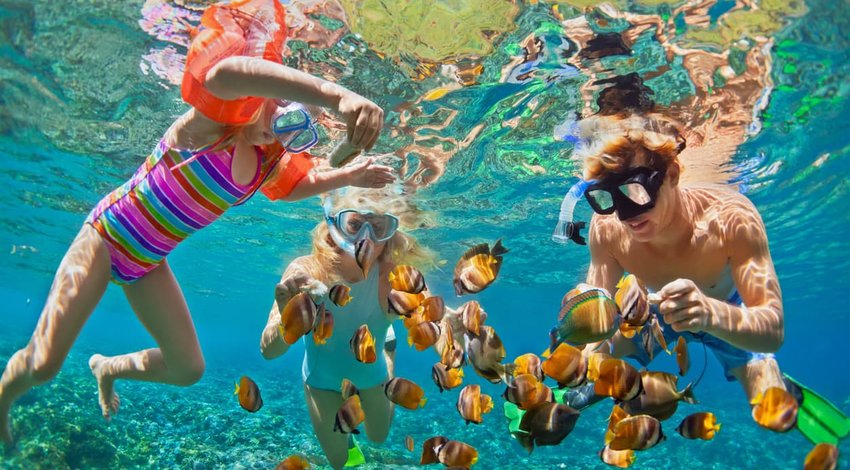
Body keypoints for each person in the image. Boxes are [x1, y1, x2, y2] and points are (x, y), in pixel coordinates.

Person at [0, 0, 395, 447]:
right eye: (277, 104)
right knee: (44, 364)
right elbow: (223, 74)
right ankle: (2, 398)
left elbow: (296, 187)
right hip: (107, 238)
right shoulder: (209, 127)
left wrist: (352, 175)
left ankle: (107, 368)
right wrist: (333, 95)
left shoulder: (267, 163)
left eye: (292, 121)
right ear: (260, 91)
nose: (281, 123)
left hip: (147, 262)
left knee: (189, 369)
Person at [554, 111, 848, 444]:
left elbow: (773, 329)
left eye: (636, 191)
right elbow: (598, 318)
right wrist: (585, 359)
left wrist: (710, 314)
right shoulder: (606, 228)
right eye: (606, 196)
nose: (625, 213)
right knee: (595, 358)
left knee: (771, 412)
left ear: (673, 175)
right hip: (649, 313)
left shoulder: (731, 219)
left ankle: (783, 387)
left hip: (726, 310)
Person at [259, 185, 433, 469]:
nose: (365, 238)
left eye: (378, 227)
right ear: (334, 225)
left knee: (378, 437)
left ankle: (388, 354)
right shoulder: (305, 271)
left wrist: (456, 326)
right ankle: (348, 434)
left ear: (391, 235)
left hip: (371, 371)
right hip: (321, 380)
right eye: (354, 224)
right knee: (341, 461)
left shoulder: (392, 276)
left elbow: (432, 318)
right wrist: (286, 320)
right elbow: (268, 351)